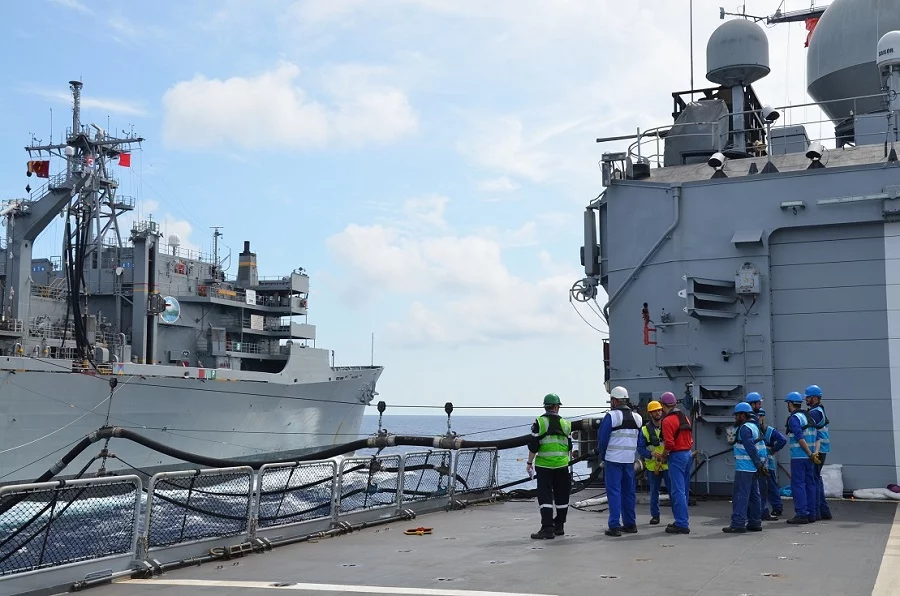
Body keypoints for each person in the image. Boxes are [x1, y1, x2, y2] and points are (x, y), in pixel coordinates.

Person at [597, 386, 642, 537]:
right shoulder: (638, 418)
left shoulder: (612, 416)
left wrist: (602, 456)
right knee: (629, 493)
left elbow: (602, 439)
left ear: (614, 401)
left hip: (613, 460)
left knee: (614, 493)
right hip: (629, 461)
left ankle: (614, 526)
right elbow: (640, 440)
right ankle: (630, 524)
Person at [527, 393, 573, 539]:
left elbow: (534, 446)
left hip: (544, 466)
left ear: (546, 406)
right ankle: (559, 526)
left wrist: (529, 463)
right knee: (562, 496)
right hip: (562, 465)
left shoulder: (539, 423)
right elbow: (569, 446)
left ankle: (547, 528)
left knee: (545, 497)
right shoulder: (566, 424)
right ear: (556, 406)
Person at [723, 402, 767, 533]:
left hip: (745, 467)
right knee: (754, 495)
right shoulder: (754, 427)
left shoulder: (744, 428)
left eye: (737, 415)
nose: (735, 418)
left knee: (740, 495)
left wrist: (758, 464)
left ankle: (738, 523)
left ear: (743, 415)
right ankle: (754, 522)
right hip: (754, 467)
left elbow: (750, 448)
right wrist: (760, 465)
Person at [784, 391, 820, 524]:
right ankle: (812, 514)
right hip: (810, 458)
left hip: (799, 457)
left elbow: (799, 438)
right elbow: (818, 438)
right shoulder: (810, 417)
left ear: (790, 403)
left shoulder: (794, 418)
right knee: (810, 484)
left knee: (798, 485)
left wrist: (809, 453)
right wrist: (814, 453)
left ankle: (801, 514)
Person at [659, 391, 692, 534]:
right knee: (684, 490)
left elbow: (670, 444)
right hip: (688, 454)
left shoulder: (667, 421)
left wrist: (663, 456)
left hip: (677, 457)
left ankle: (681, 523)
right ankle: (682, 519)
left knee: (677, 491)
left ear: (662, 405)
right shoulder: (684, 417)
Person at [637, 400, 670, 525]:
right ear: (650, 414)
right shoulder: (645, 430)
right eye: (654, 411)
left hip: (667, 464)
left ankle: (678, 517)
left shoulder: (667, 426)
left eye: (659, 410)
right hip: (653, 466)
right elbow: (640, 448)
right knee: (654, 492)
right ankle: (655, 516)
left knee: (673, 491)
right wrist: (650, 454)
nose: (657, 413)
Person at [805, 384, 833, 521]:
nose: (806, 400)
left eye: (808, 397)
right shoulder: (819, 410)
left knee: (813, 480)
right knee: (816, 478)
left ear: (815, 398)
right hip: (822, 449)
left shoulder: (815, 413)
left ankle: (816, 511)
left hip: (818, 450)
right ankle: (823, 510)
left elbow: (809, 431)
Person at [757, 407, 787, 520]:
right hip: (760, 463)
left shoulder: (769, 431)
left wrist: (772, 450)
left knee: (771, 485)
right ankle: (762, 508)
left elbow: (782, 440)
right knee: (762, 487)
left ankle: (777, 507)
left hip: (767, 463)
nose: (758, 418)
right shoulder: (756, 429)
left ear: (763, 417)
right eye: (757, 415)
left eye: (760, 416)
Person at [744, 392, 768, 514]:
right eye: (758, 403)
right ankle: (757, 515)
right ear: (752, 404)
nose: (760, 406)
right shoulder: (754, 421)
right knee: (757, 490)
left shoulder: (751, 422)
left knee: (752, 490)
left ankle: (756, 514)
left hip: (754, 461)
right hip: (757, 459)